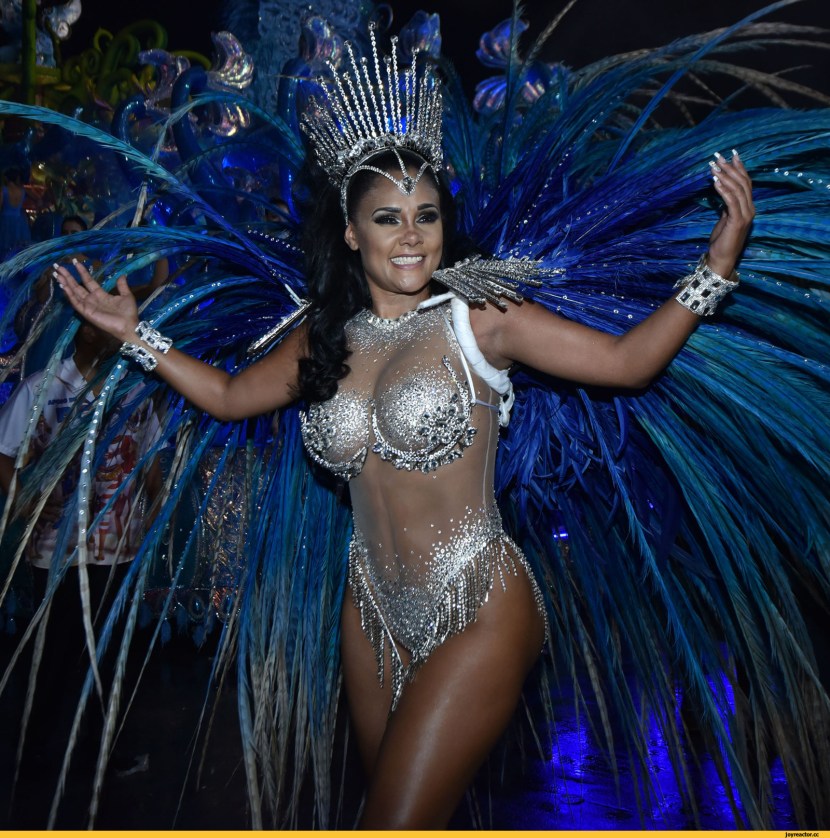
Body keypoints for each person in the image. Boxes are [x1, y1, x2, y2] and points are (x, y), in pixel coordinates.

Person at [52, 33, 755, 823]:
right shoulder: (323, 334)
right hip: (372, 609)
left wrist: (718, 263)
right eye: (388, 218)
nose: (412, 234)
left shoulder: (480, 318)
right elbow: (224, 395)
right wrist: (135, 335)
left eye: (426, 215)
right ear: (352, 233)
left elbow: (629, 363)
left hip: (480, 599)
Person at [0, 317, 162, 794]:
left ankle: (101, 753)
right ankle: (31, 757)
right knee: (53, 657)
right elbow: (3, 452)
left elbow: (150, 452)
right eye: (107, 327)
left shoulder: (132, 387)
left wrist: (154, 502)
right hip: (58, 552)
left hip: (118, 547)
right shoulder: (41, 388)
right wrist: (25, 497)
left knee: (110, 658)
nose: (118, 334)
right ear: (86, 332)